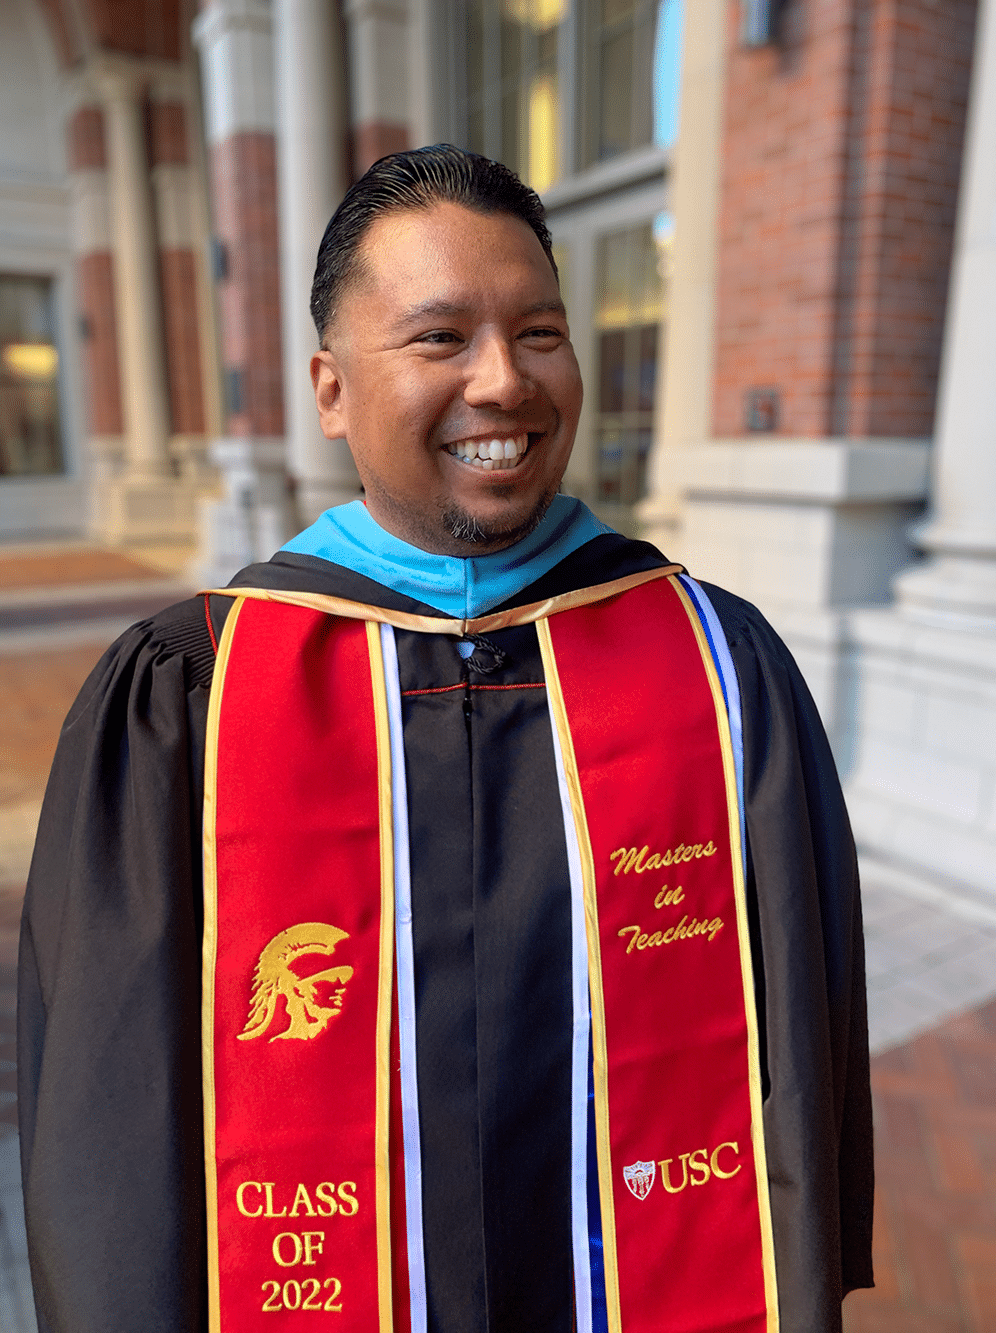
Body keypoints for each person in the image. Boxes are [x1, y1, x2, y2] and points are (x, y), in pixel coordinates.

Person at [19, 146, 872, 1333]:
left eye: (538, 333)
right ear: (329, 388)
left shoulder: (718, 667)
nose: (503, 384)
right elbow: (109, 1135)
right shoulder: (190, 697)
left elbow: (796, 1070)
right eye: (438, 339)